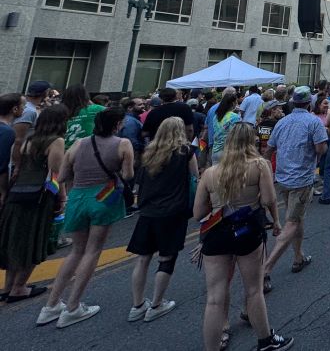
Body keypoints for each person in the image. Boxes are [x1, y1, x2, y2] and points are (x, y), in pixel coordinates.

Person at [194, 124, 290, 351]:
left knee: (215, 297)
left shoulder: (209, 173)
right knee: (254, 290)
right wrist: (273, 219)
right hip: (247, 231)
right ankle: (265, 340)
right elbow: (268, 199)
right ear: (251, 141)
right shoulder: (259, 166)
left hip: (217, 233)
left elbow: (198, 213)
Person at [40, 106, 134, 327]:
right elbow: (128, 174)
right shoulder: (122, 144)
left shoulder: (79, 143)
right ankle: (73, 306)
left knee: (76, 252)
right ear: (117, 125)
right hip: (104, 196)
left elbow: (62, 175)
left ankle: (51, 305)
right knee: (92, 251)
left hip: (77, 197)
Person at [125, 117, 197, 322]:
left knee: (143, 258)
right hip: (173, 211)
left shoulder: (149, 153)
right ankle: (157, 303)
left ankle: (137, 304)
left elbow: (140, 182)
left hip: (148, 211)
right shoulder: (186, 152)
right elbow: (194, 179)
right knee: (167, 257)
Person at [0, 105, 68, 303]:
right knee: (32, 239)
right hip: (39, 196)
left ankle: (8, 286)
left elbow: (17, 166)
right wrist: (61, 197)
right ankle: (20, 287)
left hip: (18, 192)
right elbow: (57, 173)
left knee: (15, 238)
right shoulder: (56, 141)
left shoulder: (28, 140)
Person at [262, 86, 328, 287]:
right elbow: (320, 148)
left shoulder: (282, 122)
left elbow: (269, 149)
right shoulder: (313, 122)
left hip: (283, 178)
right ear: (309, 103)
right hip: (301, 178)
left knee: (296, 218)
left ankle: (298, 256)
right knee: (292, 223)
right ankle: (266, 268)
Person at [13, 80, 50, 158]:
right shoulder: (29, 111)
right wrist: (16, 163)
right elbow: (18, 139)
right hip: (17, 155)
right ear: (45, 93)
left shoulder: (29, 107)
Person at [62, 85, 104, 150]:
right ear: (86, 96)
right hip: (85, 151)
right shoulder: (94, 109)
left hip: (64, 151)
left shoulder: (60, 112)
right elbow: (115, 113)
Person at [0, 93, 22, 207]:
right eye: (23, 106)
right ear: (14, 109)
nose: (24, 109)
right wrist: (3, 190)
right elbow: (1, 165)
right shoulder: (8, 132)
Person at [209, 90, 241, 165]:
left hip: (215, 151)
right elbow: (237, 135)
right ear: (233, 103)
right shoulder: (235, 117)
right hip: (228, 152)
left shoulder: (216, 117)